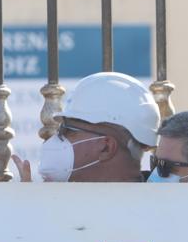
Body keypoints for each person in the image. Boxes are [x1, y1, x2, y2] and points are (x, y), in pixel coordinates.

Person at [13, 71, 160, 183]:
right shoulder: (59, 203)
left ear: (106, 148)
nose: (54, 140)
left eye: (67, 131)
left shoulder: (159, 210)